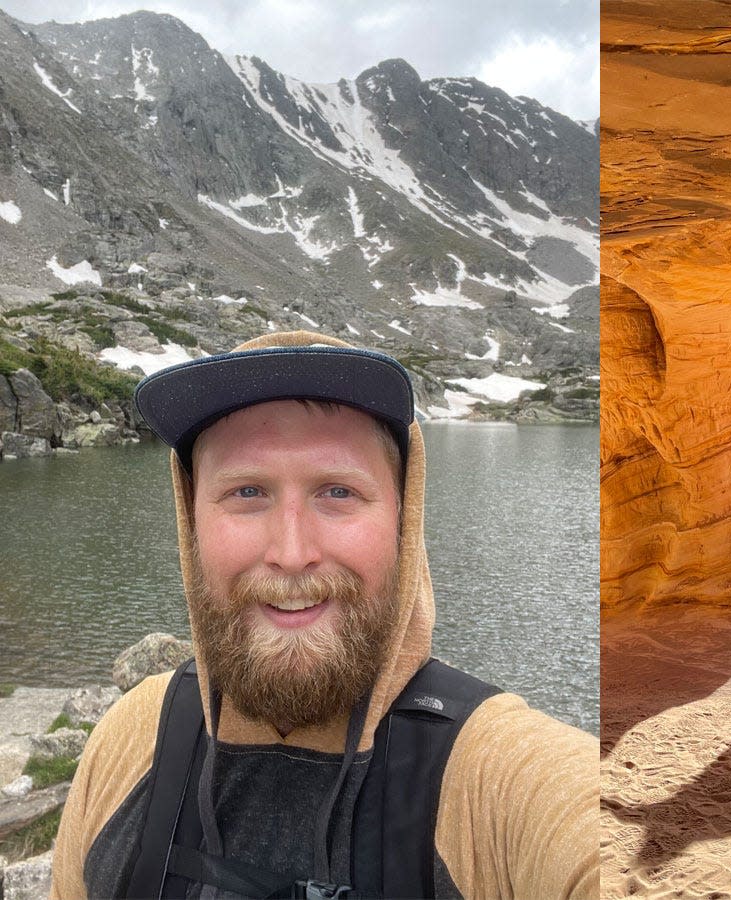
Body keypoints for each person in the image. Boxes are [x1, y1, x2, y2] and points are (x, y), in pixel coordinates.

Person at [50, 331, 598, 900]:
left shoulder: (497, 776)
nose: (291, 552)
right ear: (191, 523)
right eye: (246, 492)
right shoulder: (134, 737)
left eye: (338, 491)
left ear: (403, 527)